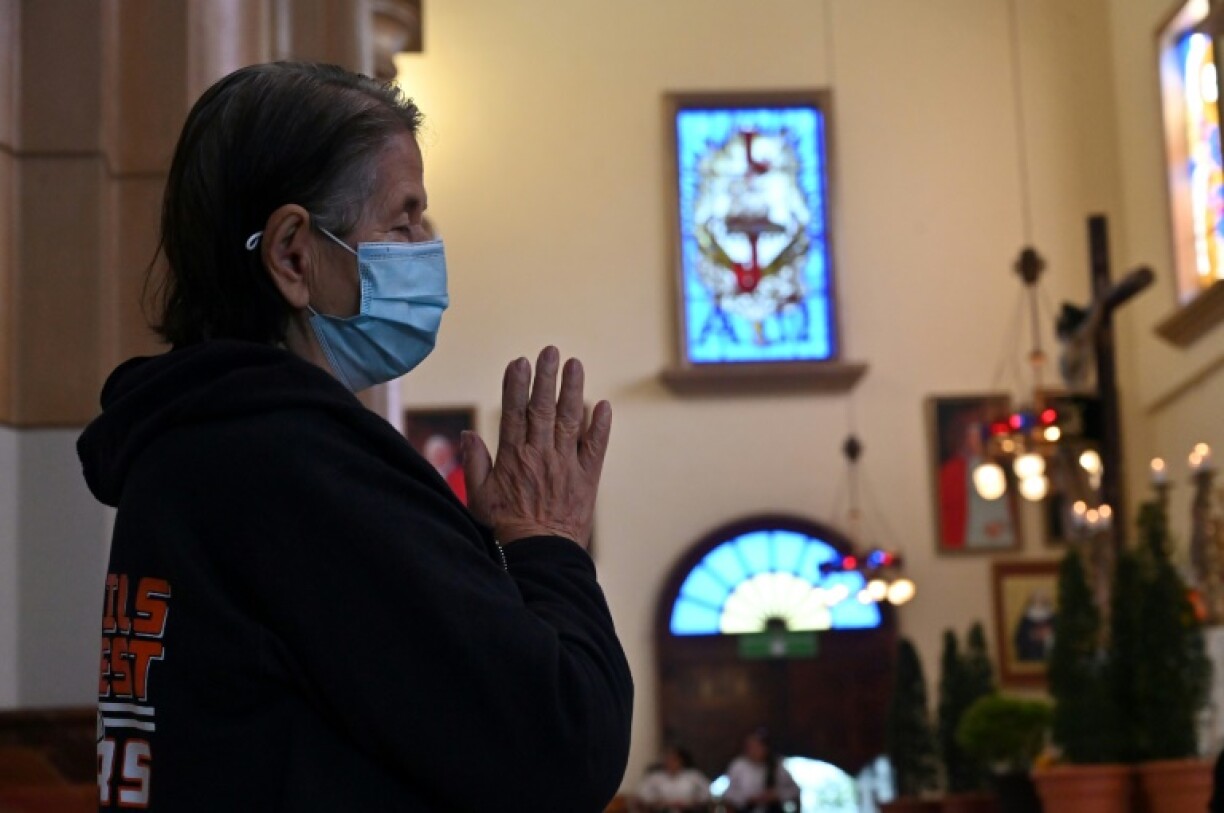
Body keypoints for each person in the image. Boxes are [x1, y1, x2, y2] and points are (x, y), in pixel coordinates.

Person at [78, 62, 632, 811]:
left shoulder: (188, 446)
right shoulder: (295, 466)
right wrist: (549, 543)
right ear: (294, 255)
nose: (426, 244)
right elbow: (564, 746)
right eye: (402, 221)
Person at [720, 729, 799, 813]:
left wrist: (775, 795)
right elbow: (728, 793)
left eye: (757, 746)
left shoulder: (776, 767)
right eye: (750, 746)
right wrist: (748, 799)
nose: (754, 750)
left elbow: (794, 790)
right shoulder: (738, 766)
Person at [633, 746, 712, 812]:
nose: (671, 763)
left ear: (681, 761)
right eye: (668, 759)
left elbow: (707, 790)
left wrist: (694, 801)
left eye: (674, 760)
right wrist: (657, 801)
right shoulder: (656, 777)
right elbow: (642, 793)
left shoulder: (693, 776)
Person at [423, 433, 467, 504]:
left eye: (442, 453)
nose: (440, 458)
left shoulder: (461, 475)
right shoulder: (424, 477)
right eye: (436, 454)